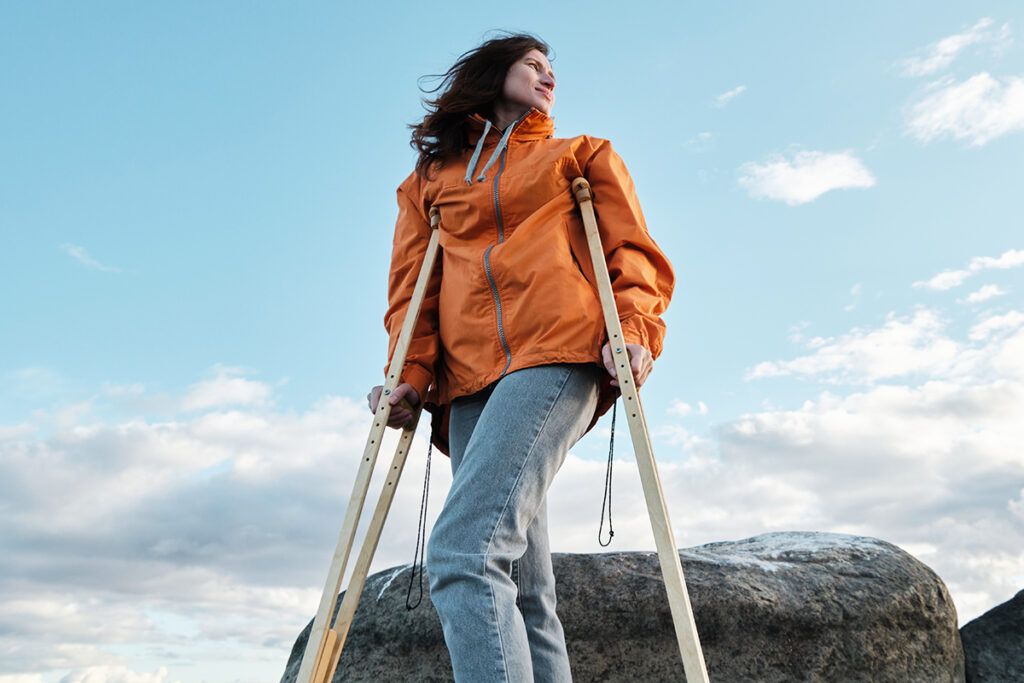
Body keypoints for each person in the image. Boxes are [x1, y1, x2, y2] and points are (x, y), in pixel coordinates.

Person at [366, 31, 675, 683]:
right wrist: (409, 375)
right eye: (532, 64)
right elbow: (411, 289)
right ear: (492, 73)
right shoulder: (429, 182)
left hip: (558, 350)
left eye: (551, 67)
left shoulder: (581, 155)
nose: (547, 75)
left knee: (464, 552)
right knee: (525, 592)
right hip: (469, 380)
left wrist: (636, 327)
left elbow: (632, 253)